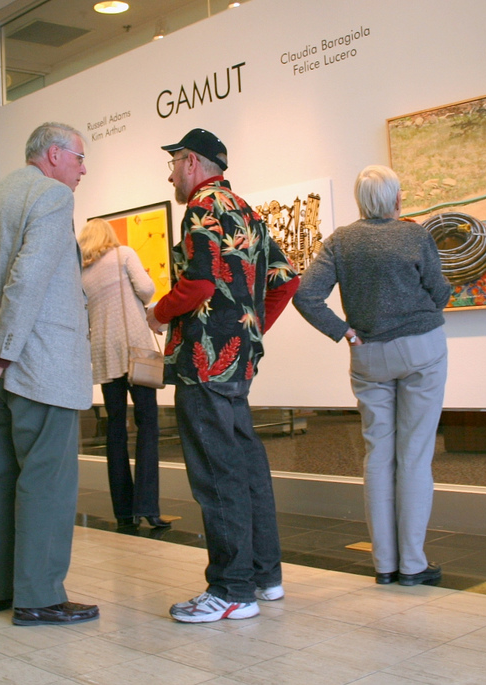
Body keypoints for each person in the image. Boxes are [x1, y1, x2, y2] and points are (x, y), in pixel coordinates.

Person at [0, 122, 99, 626]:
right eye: (78, 157)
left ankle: (0, 589)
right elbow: (28, 278)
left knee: (4, 477)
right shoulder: (51, 197)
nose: (82, 168)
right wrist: (3, 351)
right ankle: (39, 597)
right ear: (53, 154)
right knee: (47, 480)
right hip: (37, 367)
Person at [148, 128, 299, 623]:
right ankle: (263, 574)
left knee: (216, 474)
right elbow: (286, 279)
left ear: (190, 161)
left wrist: (160, 313)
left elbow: (199, 281)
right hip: (237, 361)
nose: (170, 174)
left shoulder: (201, 208)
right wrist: (250, 327)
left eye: (172, 164)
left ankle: (232, 589)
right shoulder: (246, 210)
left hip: (204, 359)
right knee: (246, 466)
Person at [293, 165, 451, 587]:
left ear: (360, 201)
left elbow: (306, 296)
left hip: (368, 355)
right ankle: (413, 564)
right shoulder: (415, 234)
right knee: (414, 454)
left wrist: (343, 331)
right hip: (421, 349)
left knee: (378, 455)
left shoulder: (341, 240)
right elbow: (439, 289)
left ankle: (384, 565)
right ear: (397, 200)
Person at [79, 218, 169, 530]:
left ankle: (123, 511)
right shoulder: (124, 254)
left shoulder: (82, 273)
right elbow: (146, 290)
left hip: (104, 354)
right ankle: (148, 506)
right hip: (134, 350)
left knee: (115, 431)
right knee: (148, 425)